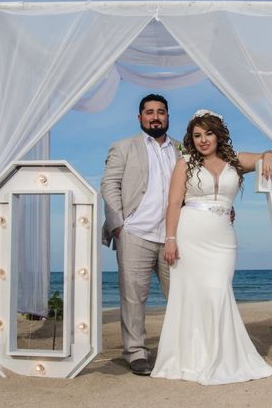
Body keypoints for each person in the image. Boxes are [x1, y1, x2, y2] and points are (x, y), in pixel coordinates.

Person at [151, 109, 272, 385]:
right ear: (191, 139)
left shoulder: (235, 160)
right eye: (197, 135)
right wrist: (170, 240)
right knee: (194, 296)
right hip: (190, 234)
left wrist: (268, 156)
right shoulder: (185, 162)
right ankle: (194, 358)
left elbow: (266, 154)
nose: (203, 140)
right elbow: (173, 203)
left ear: (218, 135)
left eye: (208, 133)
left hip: (223, 239)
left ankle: (220, 357)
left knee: (218, 291)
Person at [101, 94, 181, 376]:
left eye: (161, 111)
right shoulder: (124, 147)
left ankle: (181, 347)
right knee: (133, 298)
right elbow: (109, 185)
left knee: (182, 294)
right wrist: (119, 226)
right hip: (135, 233)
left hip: (174, 235)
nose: (155, 116)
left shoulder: (183, 150)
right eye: (149, 112)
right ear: (140, 118)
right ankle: (136, 352)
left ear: (168, 116)